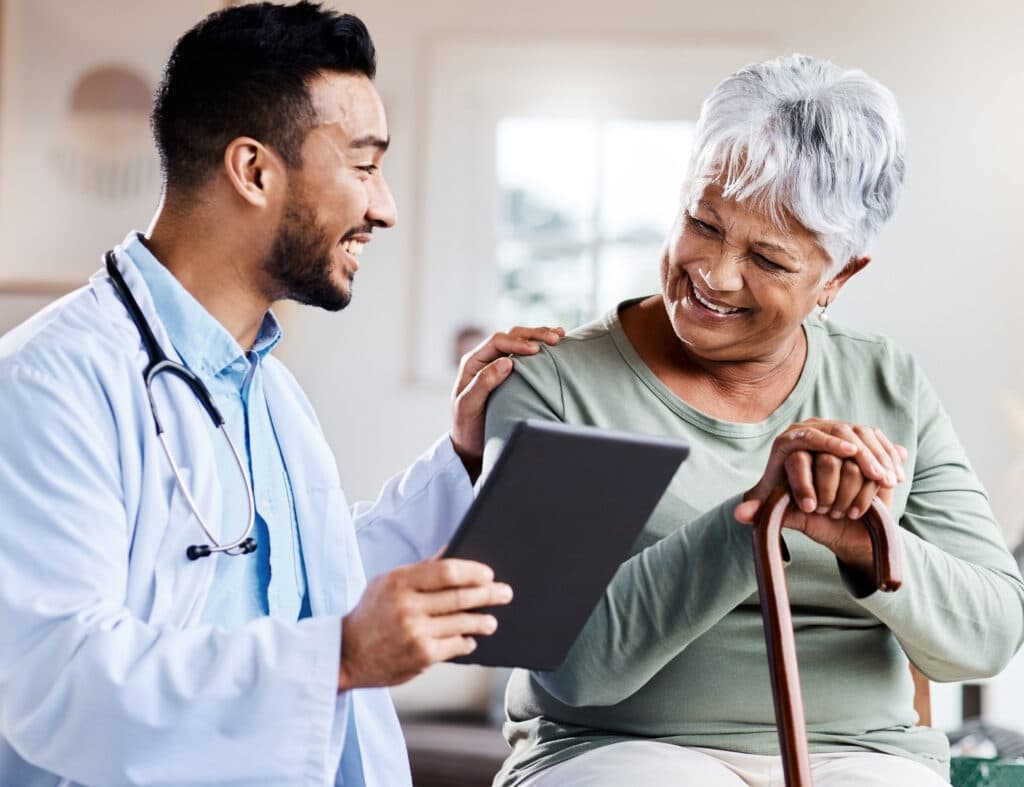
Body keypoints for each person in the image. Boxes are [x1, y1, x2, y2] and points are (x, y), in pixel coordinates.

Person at [0, 3, 564, 786]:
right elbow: (55, 680)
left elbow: (316, 583)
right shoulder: (48, 384)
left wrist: (464, 458)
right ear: (254, 170)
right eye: (364, 166)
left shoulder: (267, 386)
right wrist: (339, 655)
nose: (385, 207)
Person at [484, 54, 1024, 786]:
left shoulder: (885, 380)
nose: (716, 273)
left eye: (768, 259)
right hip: (617, 751)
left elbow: (989, 635)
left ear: (839, 276)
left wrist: (871, 542)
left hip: (861, 755)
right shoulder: (557, 383)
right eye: (702, 223)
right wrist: (752, 519)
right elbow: (570, 666)